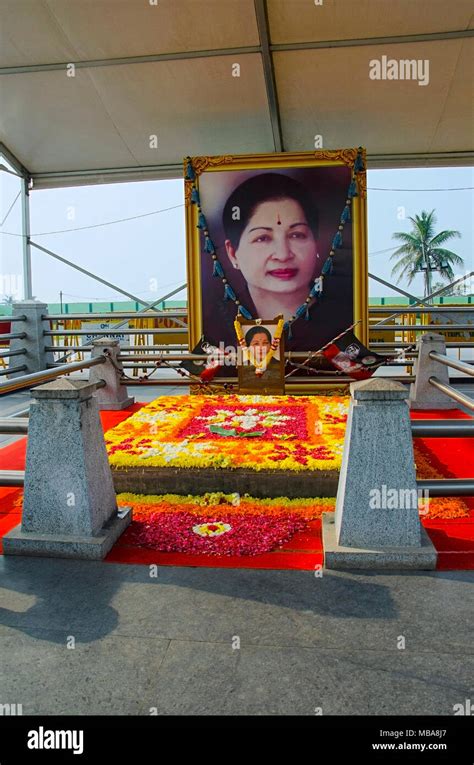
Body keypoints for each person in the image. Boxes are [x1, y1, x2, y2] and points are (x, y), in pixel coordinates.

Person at [223, 173, 320, 323]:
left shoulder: (344, 321)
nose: (283, 255)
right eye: (263, 238)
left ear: (316, 243)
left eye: (296, 235)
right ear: (233, 254)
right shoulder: (216, 328)